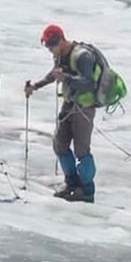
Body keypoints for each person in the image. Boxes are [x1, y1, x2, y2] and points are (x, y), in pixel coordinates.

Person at [23, 24, 100, 202]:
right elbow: (54, 74)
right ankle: (72, 183)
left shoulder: (82, 56)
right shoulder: (61, 55)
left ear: (61, 40)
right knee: (60, 144)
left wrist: (66, 78)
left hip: (83, 107)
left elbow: (89, 83)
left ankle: (87, 190)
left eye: (52, 46)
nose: (50, 51)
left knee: (82, 150)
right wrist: (36, 86)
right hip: (69, 104)